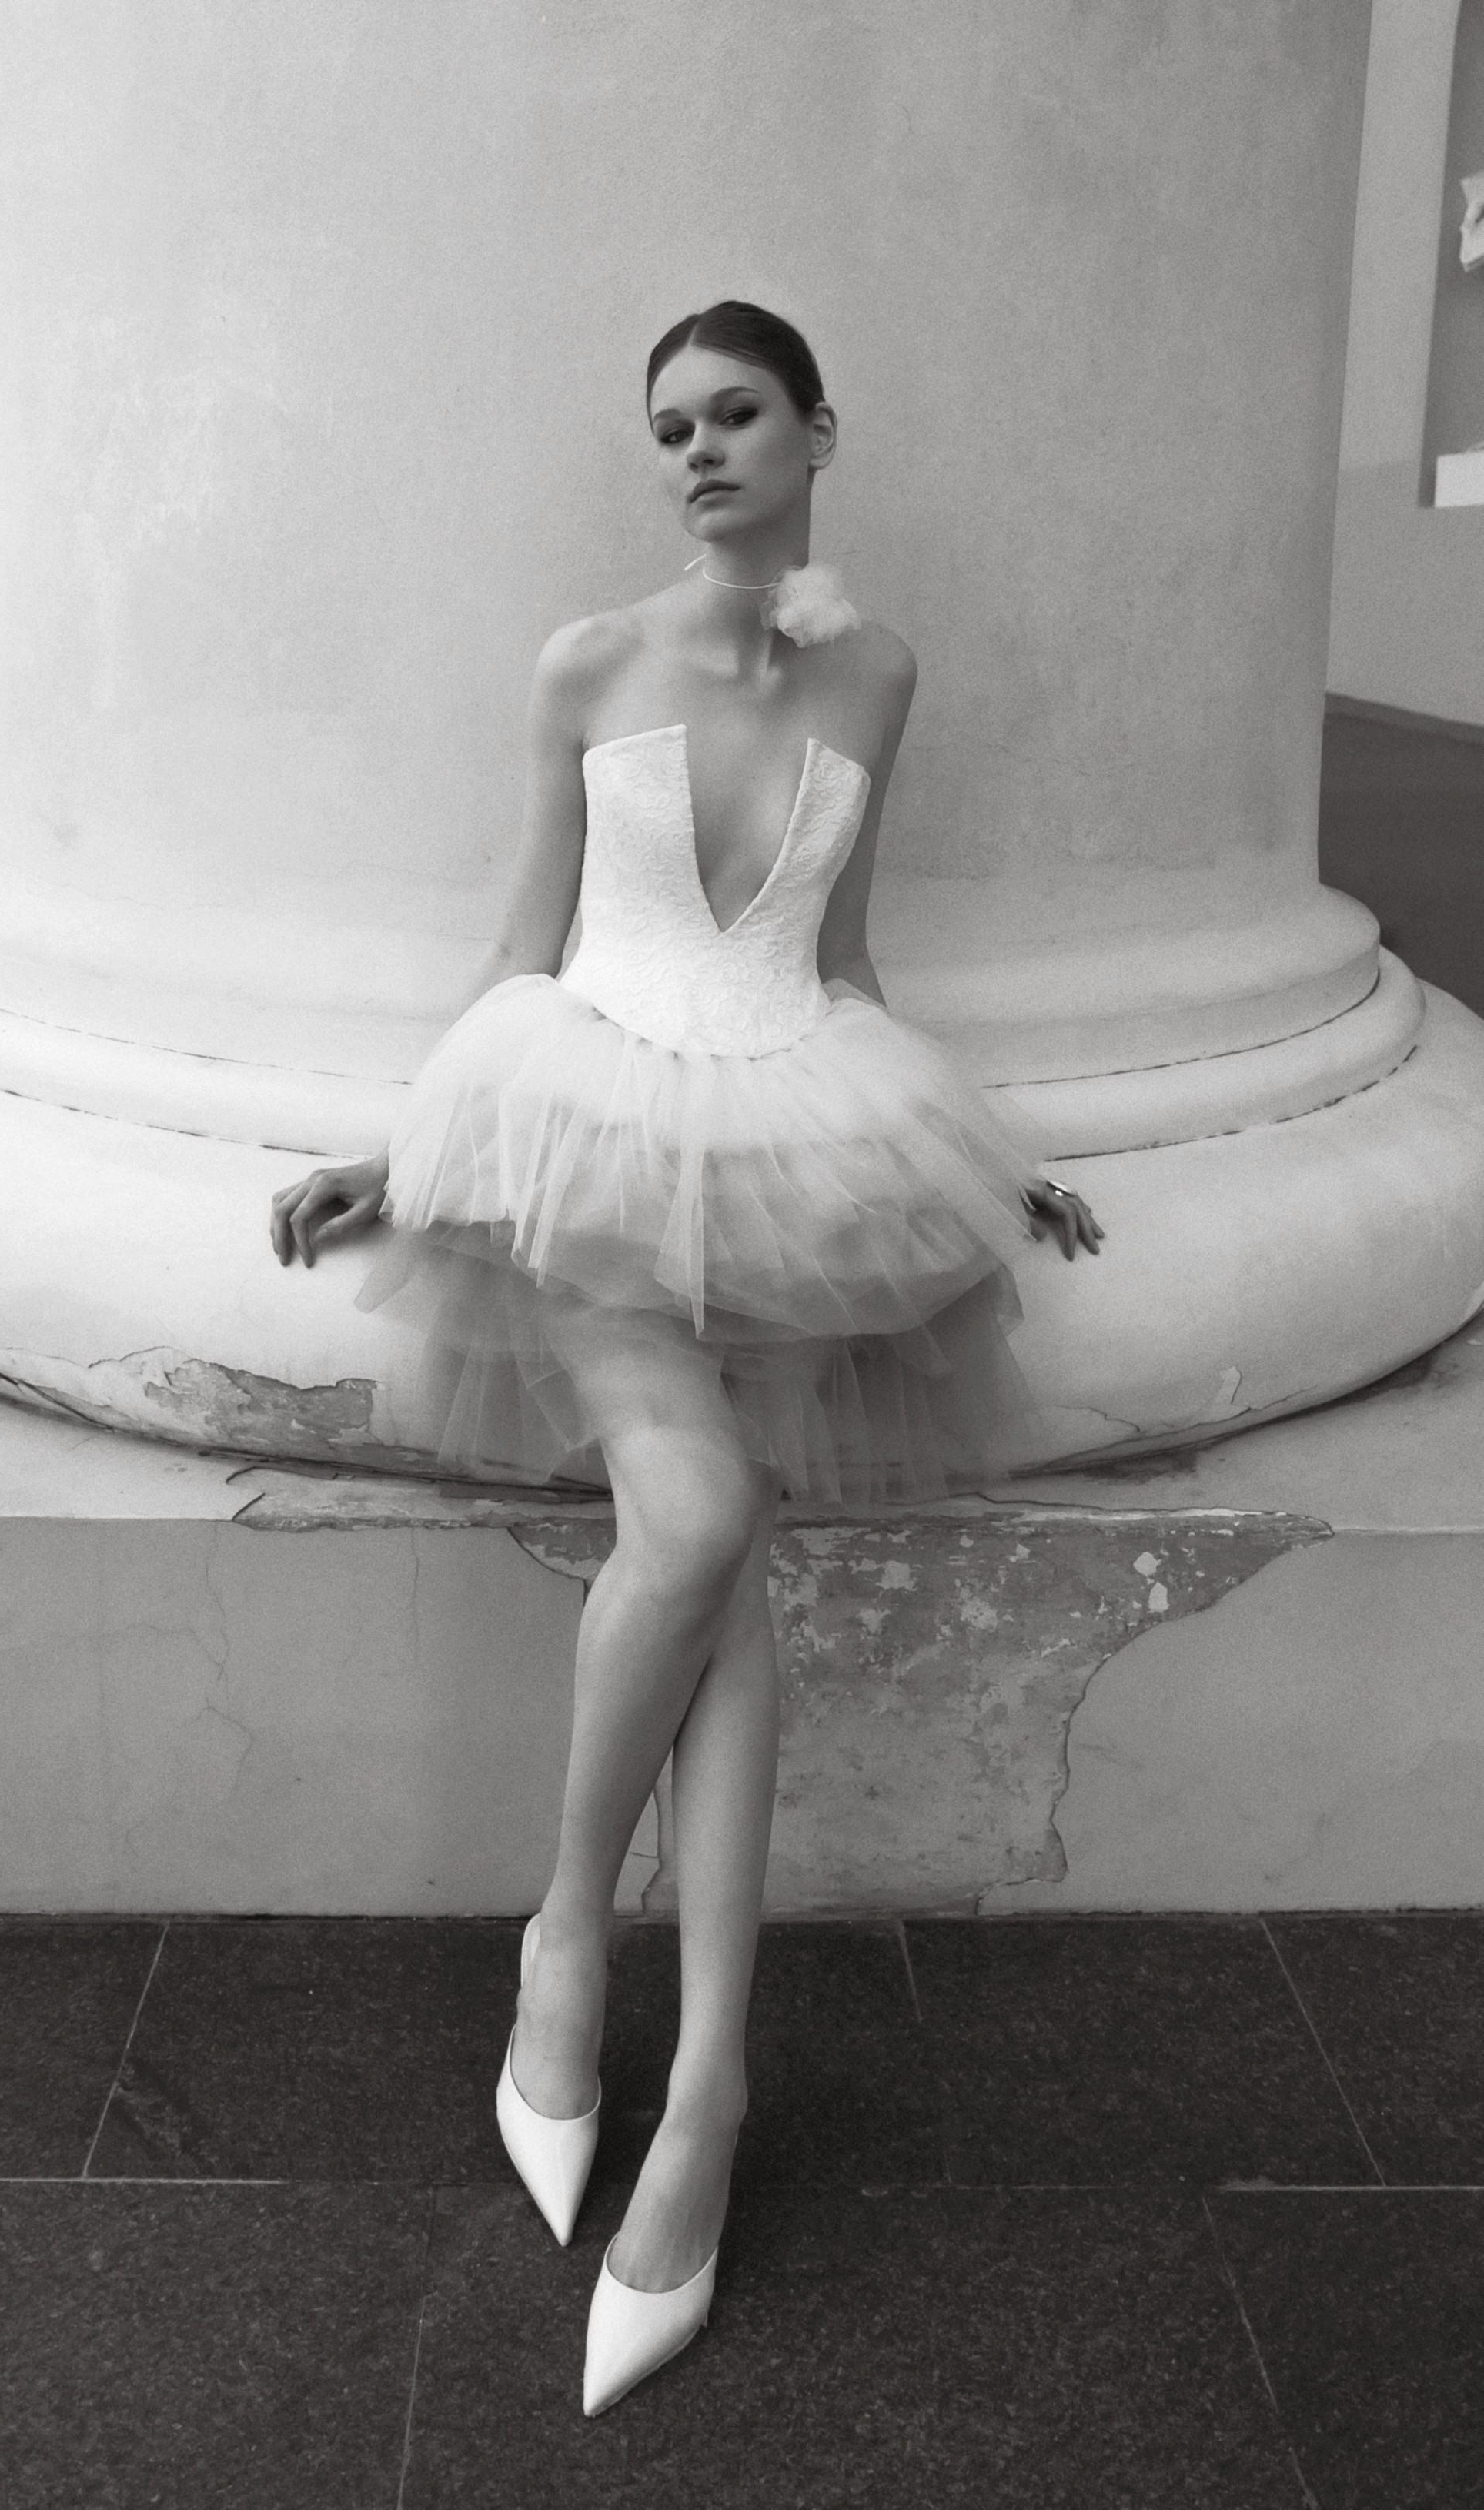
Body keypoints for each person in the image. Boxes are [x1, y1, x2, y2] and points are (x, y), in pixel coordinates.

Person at [270, 299, 1104, 2416]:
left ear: (818, 429)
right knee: (711, 1513)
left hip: (807, 1138)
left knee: (728, 1586)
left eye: (736, 414)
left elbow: (850, 951)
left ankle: (708, 2084)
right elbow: (523, 940)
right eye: (670, 425)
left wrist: (986, 1166)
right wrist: (403, 1148)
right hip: (581, 1132)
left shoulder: (879, 672)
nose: (699, 450)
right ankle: (568, 1927)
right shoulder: (587, 661)